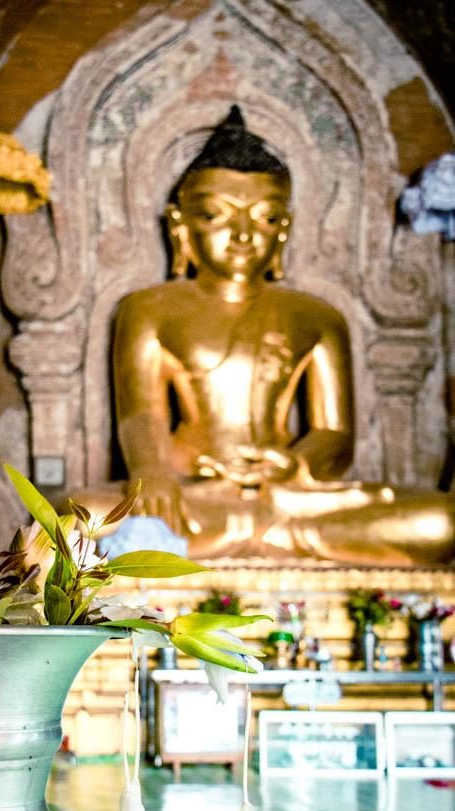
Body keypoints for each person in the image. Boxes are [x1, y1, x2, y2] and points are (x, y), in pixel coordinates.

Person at [111, 107, 454, 565]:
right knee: (70, 524)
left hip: (288, 498)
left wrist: (294, 465)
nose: (243, 235)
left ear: (284, 230)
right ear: (181, 226)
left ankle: (239, 531)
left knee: (441, 521)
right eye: (216, 215)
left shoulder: (317, 316)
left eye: (266, 218)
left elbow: (333, 432)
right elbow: (141, 417)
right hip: (191, 494)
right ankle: (235, 529)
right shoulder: (147, 309)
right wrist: (152, 474)